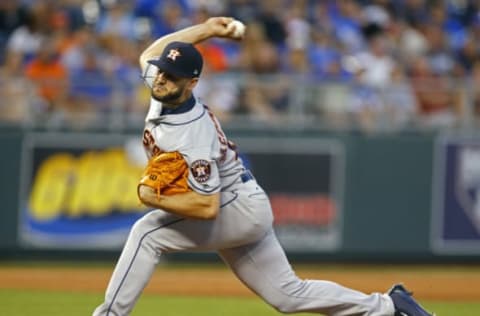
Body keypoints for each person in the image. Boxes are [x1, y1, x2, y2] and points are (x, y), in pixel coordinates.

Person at [92, 16, 433, 316]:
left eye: (172, 76)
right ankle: (388, 306)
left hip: (232, 207)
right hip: (244, 200)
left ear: (192, 83)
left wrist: (154, 197)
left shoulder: (193, 134)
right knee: (287, 295)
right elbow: (149, 54)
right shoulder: (163, 84)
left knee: (147, 233)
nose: (161, 79)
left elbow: (205, 206)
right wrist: (207, 30)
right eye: (162, 71)